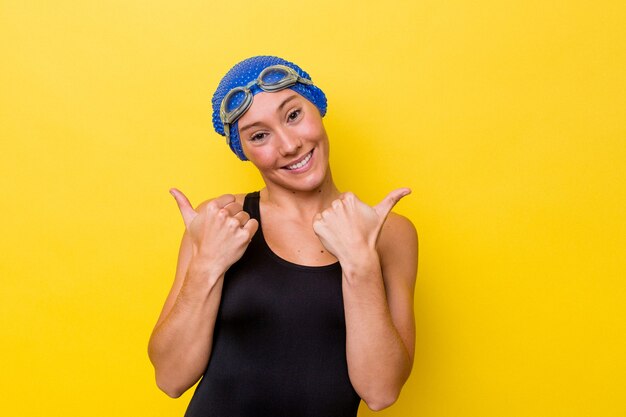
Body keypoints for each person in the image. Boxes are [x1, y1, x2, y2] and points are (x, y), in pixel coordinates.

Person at [148, 55, 418, 416]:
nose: (289, 145)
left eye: (293, 115)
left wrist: (359, 262)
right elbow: (170, 378)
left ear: (317, 108)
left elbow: (381, 392)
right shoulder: (223, 221)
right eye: (259, 135)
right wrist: (207, 265)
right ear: (243, 150)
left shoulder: (390, 233)